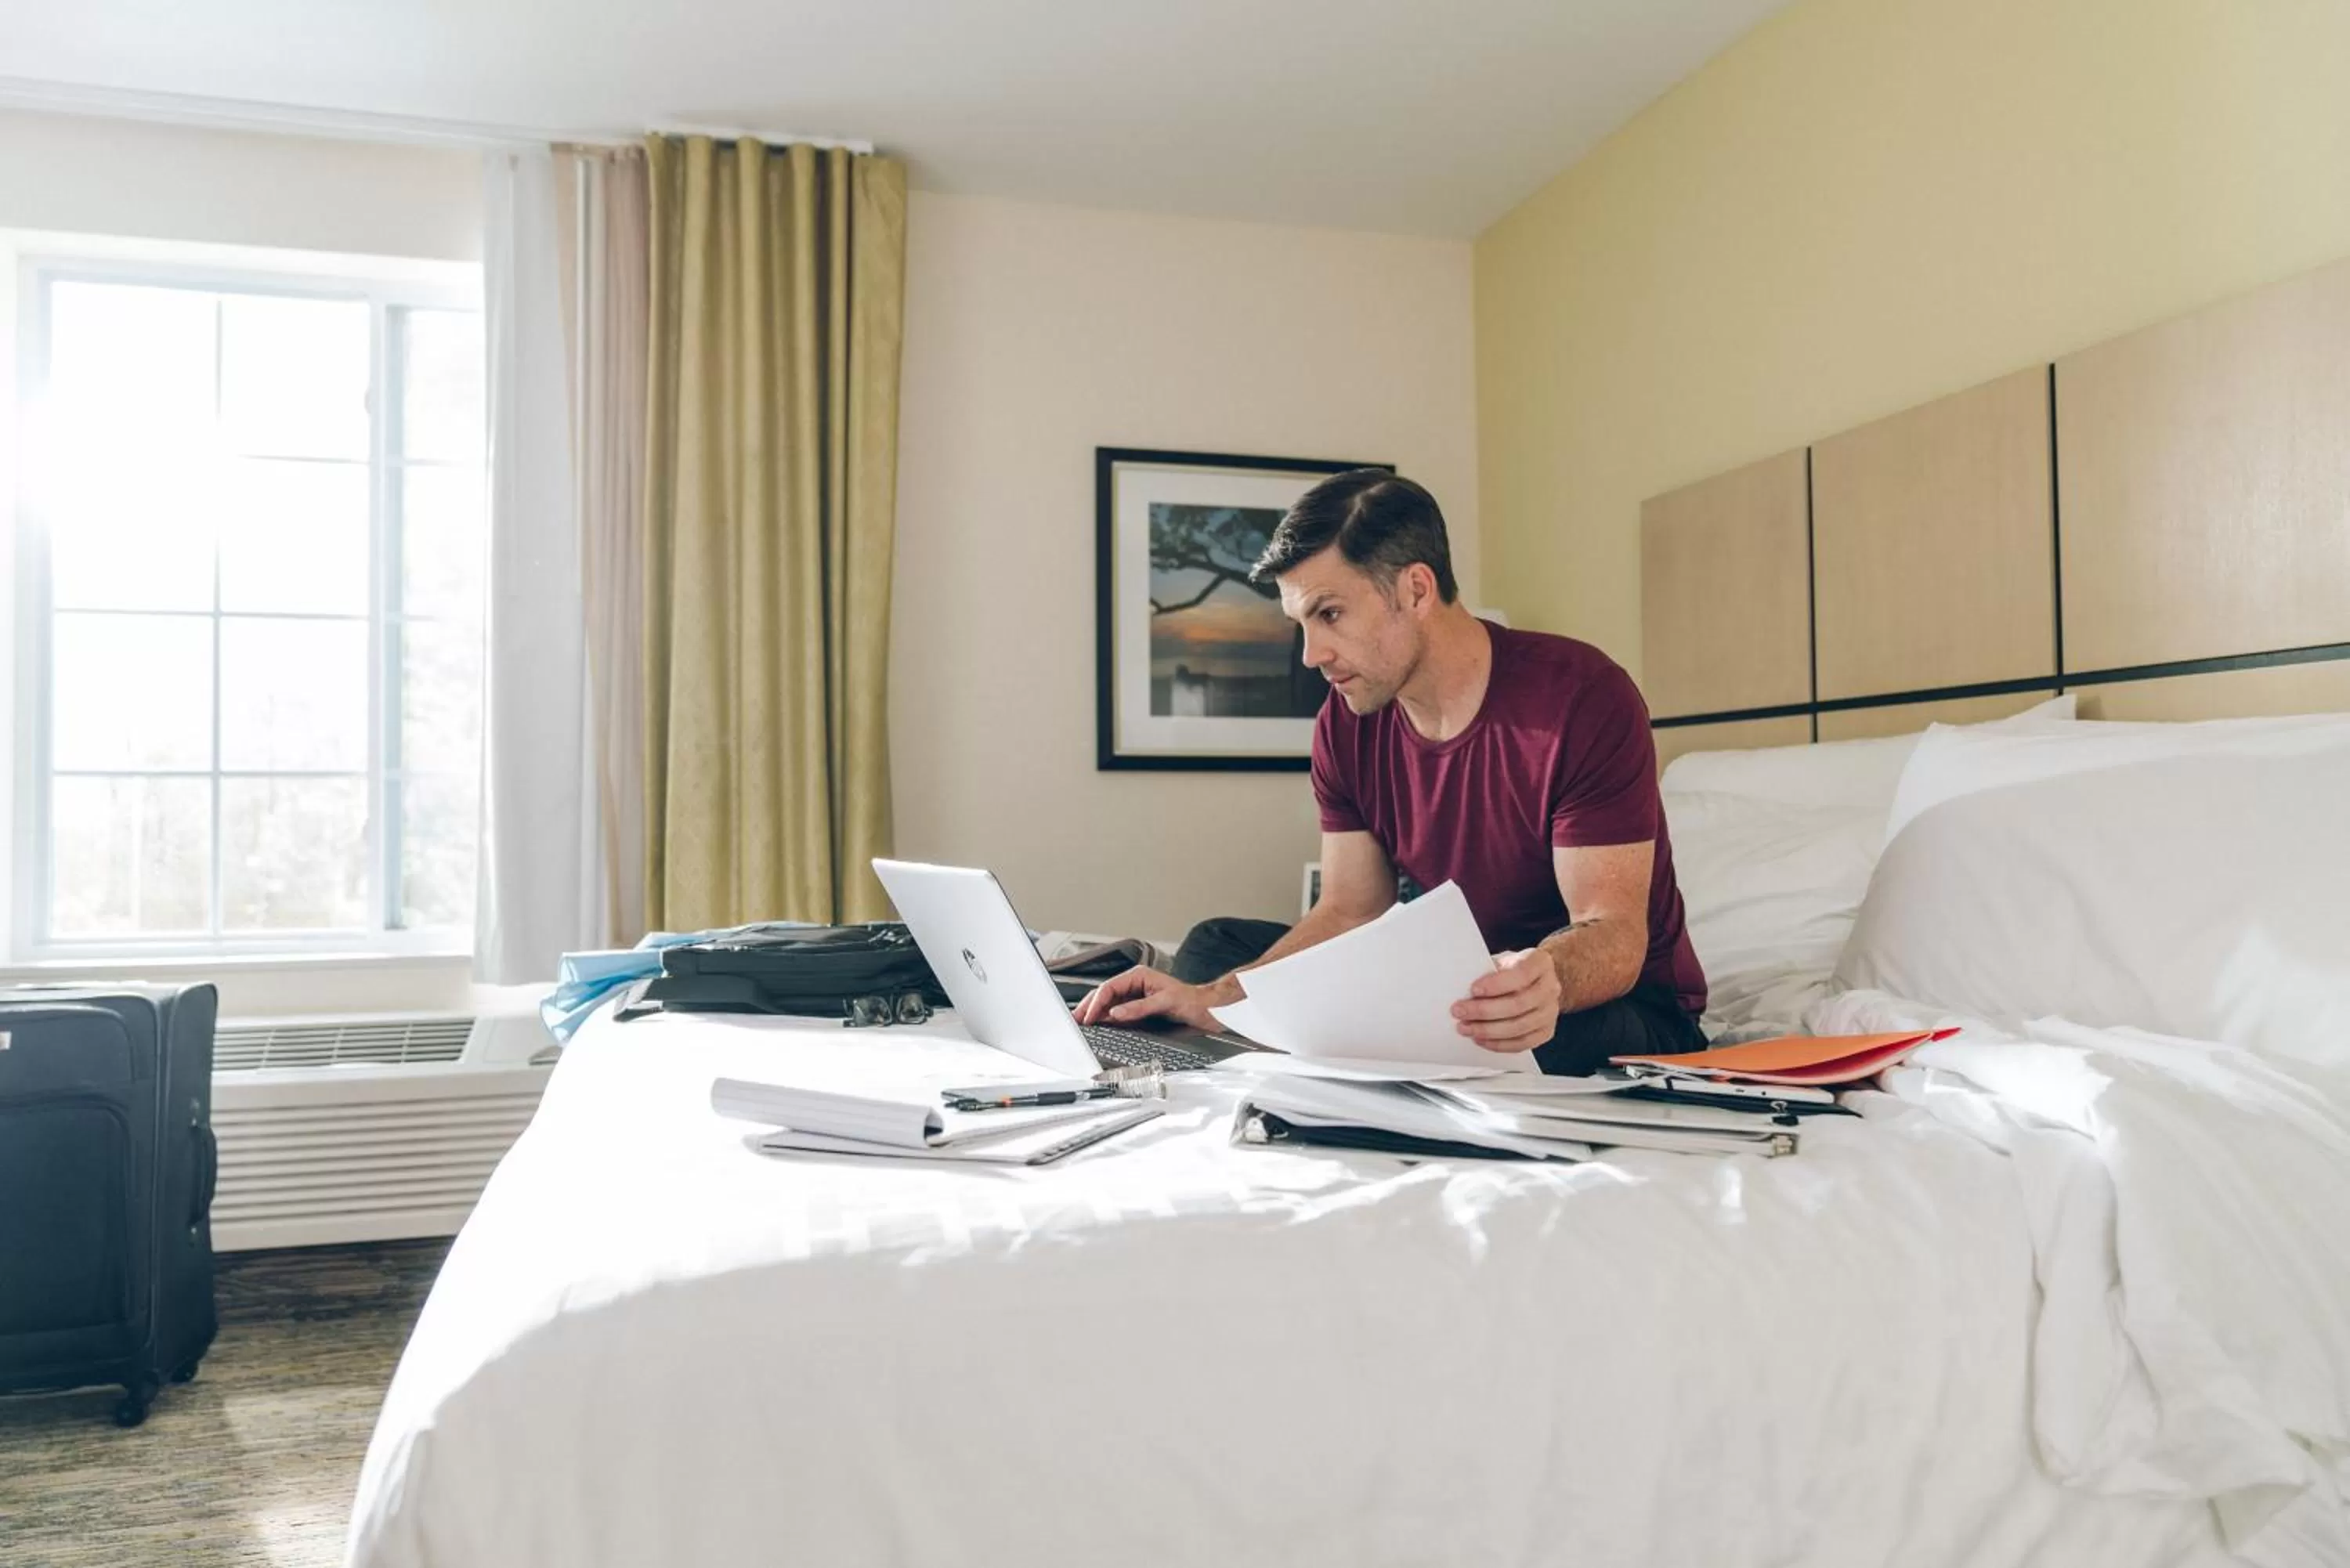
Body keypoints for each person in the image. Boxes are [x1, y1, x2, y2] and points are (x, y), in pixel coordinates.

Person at [1075, 469, 1707, 1075]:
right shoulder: (1347, 722)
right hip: (1443, 979)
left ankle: (1300, 1047)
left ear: (1416, 589)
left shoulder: (1582, 697)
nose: (1312, 655)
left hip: (1598, 1006)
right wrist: (1216, 997)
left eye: (1330, 615)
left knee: (1474, 1026)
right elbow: (1350, 909)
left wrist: (1546, 977)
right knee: (1215, 946)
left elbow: (1614, 933)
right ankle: (1281, 1038)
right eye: (1301, 624)